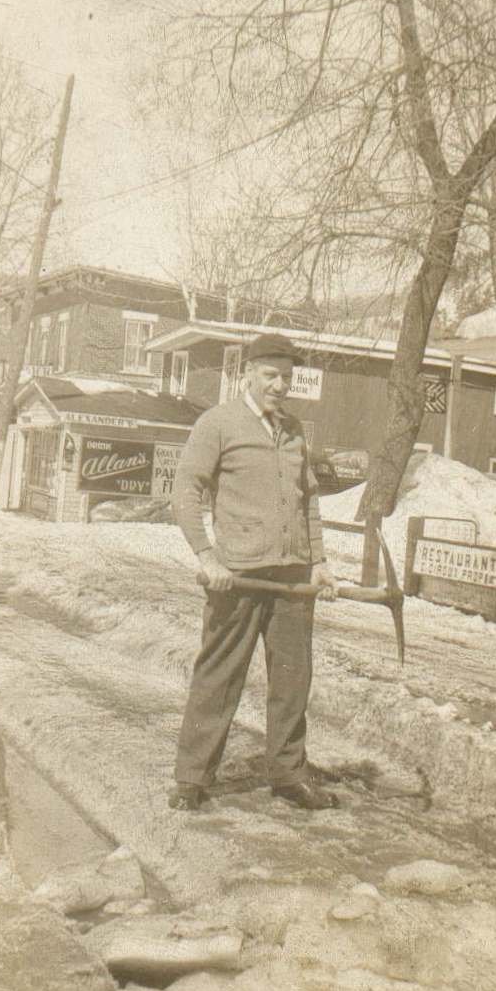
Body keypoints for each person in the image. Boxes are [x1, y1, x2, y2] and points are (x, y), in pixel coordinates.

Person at [169, 332, 340, 812]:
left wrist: (320, 562)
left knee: (292, 678)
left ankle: (288, 773)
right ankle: (192, 778)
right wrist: (206, 555)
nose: (280, 385)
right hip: (237, 575)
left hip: (292, 577)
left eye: (287, 377)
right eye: (270, 375)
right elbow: (186, 493)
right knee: (219, 675)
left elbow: (309, 501)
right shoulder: (217, 424)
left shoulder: (295, 431)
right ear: (246, 373)